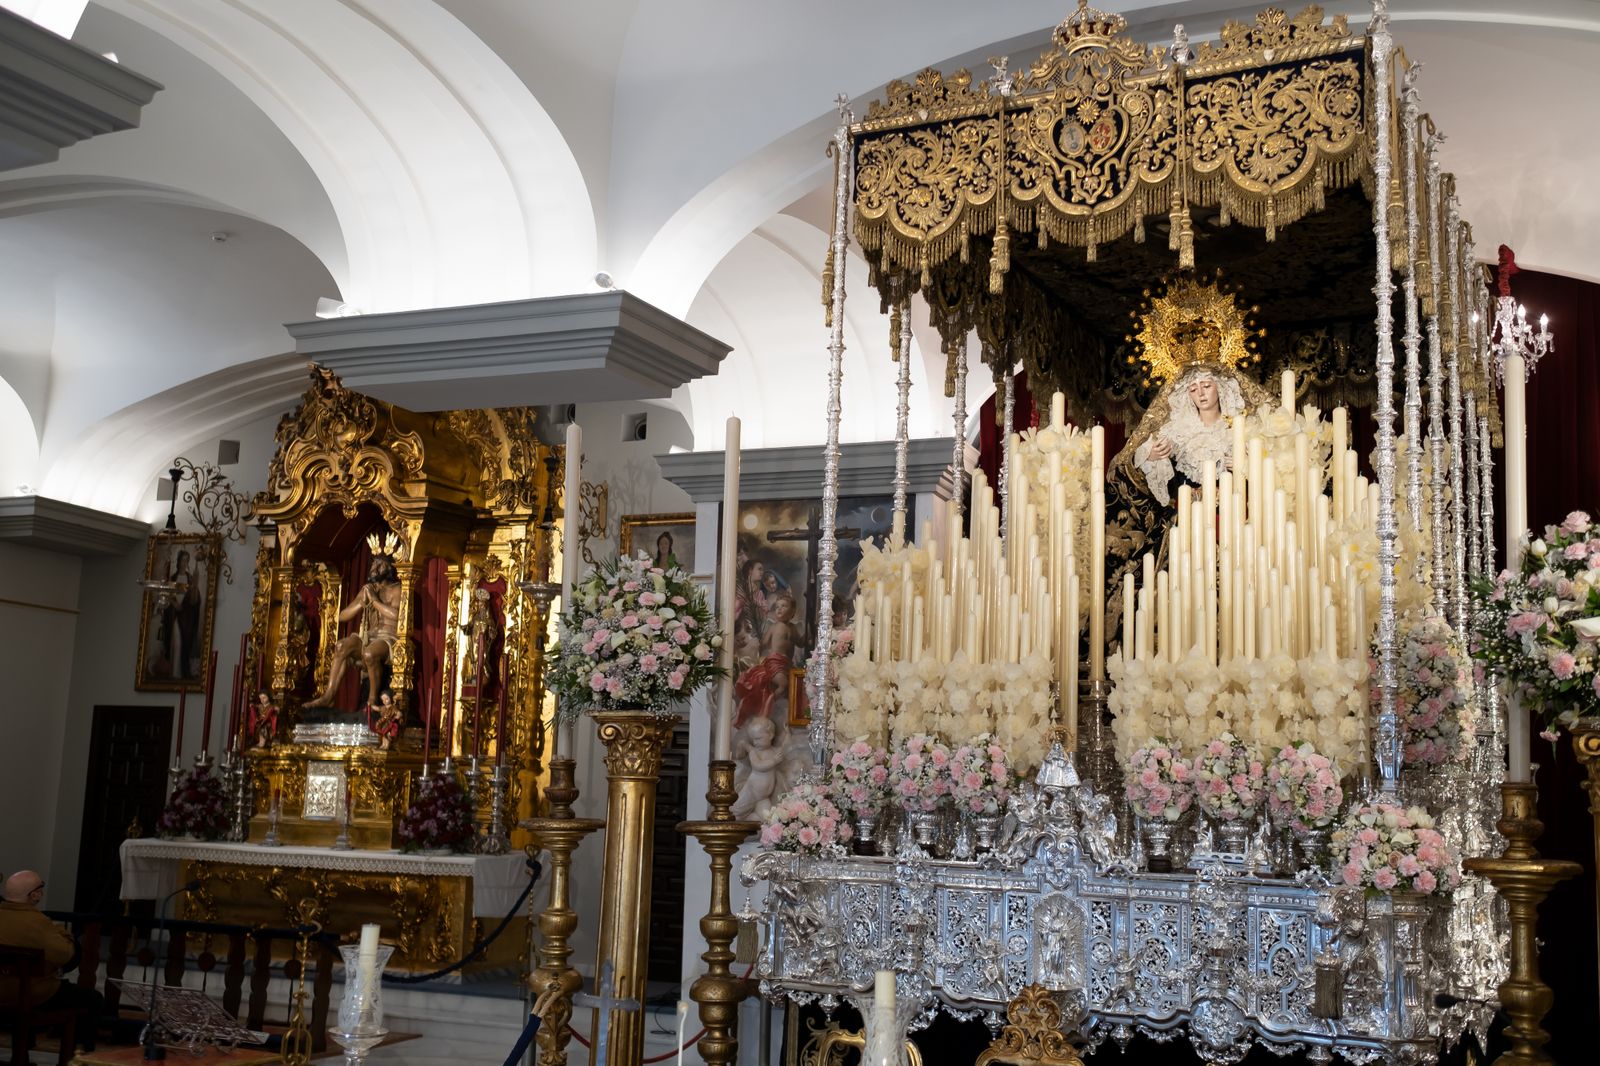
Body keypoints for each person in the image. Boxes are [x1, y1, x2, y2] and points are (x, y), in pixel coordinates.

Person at [0, 870, 104, 1042]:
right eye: (41, 887)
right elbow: (66, 955)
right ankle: (78, 1057)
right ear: (34, 894)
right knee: (92, 999)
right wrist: (63, 933)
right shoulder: (37, 923)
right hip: (30, 995)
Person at [303, 548, 403, 709]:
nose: (374, 568)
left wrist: (375, 601)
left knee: (370, 653)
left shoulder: (397, 589)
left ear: (389, 568)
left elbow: (397, 616)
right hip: (368, 635)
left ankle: (371, 700)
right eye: (374, 563)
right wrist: (360, 603)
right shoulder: (368, 589)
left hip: (388, 637)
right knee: (341, 646)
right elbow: (342, 616)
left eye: (380, 564)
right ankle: (328, 696)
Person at [1131, 366, 1244, 507]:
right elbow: (1158, 478)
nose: (1201, 393)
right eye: (1193, 389)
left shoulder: (1240, 429)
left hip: (1232, 514)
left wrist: (1246, 467)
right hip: (1188, 516)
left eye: (1206, 386)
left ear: (1220, 387)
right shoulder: (1177, 432)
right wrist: (1151, 455)